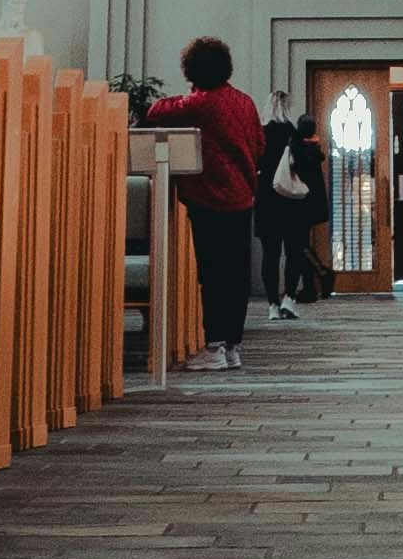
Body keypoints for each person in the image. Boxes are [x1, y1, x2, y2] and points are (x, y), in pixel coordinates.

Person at [134, 33, 263, 369]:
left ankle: (215, 346)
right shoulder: (245, 102)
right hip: (243, 196)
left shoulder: (202, 103)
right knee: (236, 277)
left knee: (213, 274)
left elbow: (157, 110)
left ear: (193, 70)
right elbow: (259, 145)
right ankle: (232, 346)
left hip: (211, 199)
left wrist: (187, 94)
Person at [255, 102, 327, 307]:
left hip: (267, 202)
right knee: (293, 253)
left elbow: (254, 163)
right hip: (293, 204)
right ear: (288, 110)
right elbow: (311, 166)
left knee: (270, 256)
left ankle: (272, 304)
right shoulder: (295, 135)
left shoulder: (261, 135)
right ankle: (289, 298)